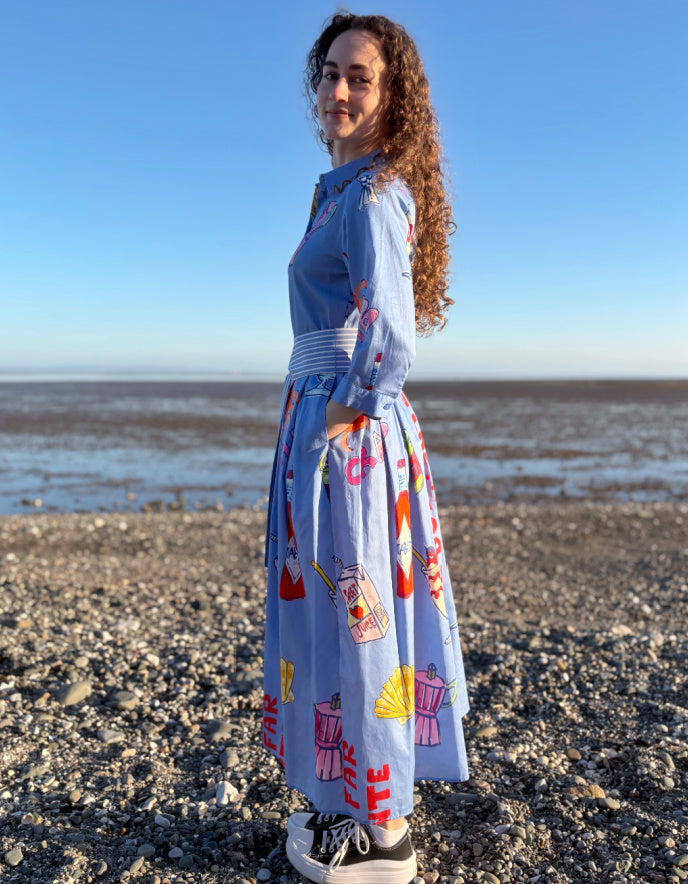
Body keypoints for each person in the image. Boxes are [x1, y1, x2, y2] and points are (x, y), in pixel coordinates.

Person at [262, 13, 469, 883]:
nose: (340, 90)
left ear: (393, 100)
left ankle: (379, 825)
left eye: (362, 78)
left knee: (358, 615)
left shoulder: (378, 195)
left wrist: (347, 412)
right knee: (336, 613)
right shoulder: (341, 190)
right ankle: (352, 797)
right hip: (321, 417)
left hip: (344, 432)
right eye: (331, 74)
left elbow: (393, 337)